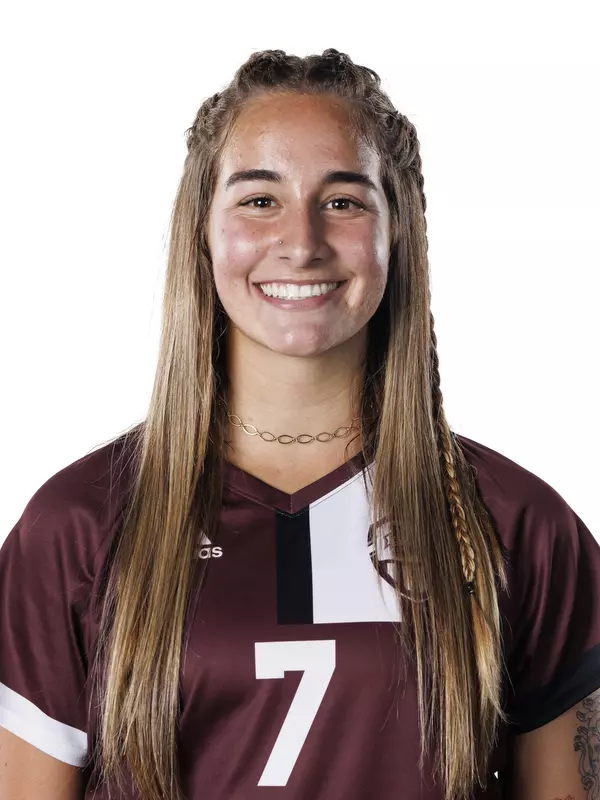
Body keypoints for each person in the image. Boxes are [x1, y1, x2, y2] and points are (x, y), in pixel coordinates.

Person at [0, 47, 599, 800]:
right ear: (202, 230)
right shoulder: (80, 524)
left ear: (400, 230)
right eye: (259, 199)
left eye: (344, 200)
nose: (302, 241)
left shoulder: (516, 524)